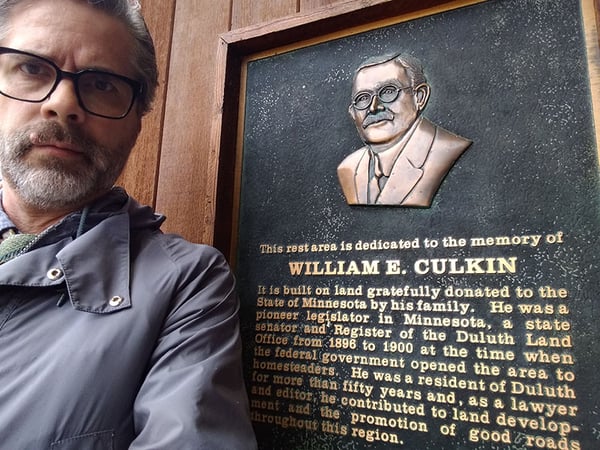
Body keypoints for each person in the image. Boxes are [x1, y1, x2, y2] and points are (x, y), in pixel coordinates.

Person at [0, 0, 256, 448]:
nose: (63, 104)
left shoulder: (186, 284)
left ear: (138, 120)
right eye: (32, 69)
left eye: (101, 84)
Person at [337, 52, 472, 207]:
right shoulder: (349, 168)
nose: (374, 107)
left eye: (388, 91)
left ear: (419, 97)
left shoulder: (447, 150)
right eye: (363, 98)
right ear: (353, 113)